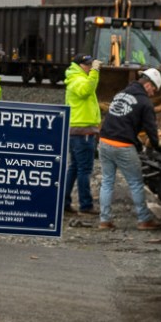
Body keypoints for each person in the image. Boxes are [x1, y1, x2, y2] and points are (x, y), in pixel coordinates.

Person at [97, 67, 161, 230]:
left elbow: (120, 120)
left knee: (107, 182)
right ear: (148, 84)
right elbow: (151, 129)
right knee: (135, 182)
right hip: (123, 146)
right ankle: (144, 219)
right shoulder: (145, 103)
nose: (153, 93)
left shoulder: (120, 94)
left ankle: (104, 220)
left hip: (104, 141)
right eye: (153, 89)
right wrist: (156, 147)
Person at [63, 53, 102, 217]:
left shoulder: (75, 78)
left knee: (74, 167)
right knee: (84, 169)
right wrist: (95, 73)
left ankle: (64, 202)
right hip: (82, 131)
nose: (89, 67)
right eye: (87, 65)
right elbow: (86, 91)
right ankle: (85, 204)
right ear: (79, 65)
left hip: (77, 131)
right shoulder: (78, 80)